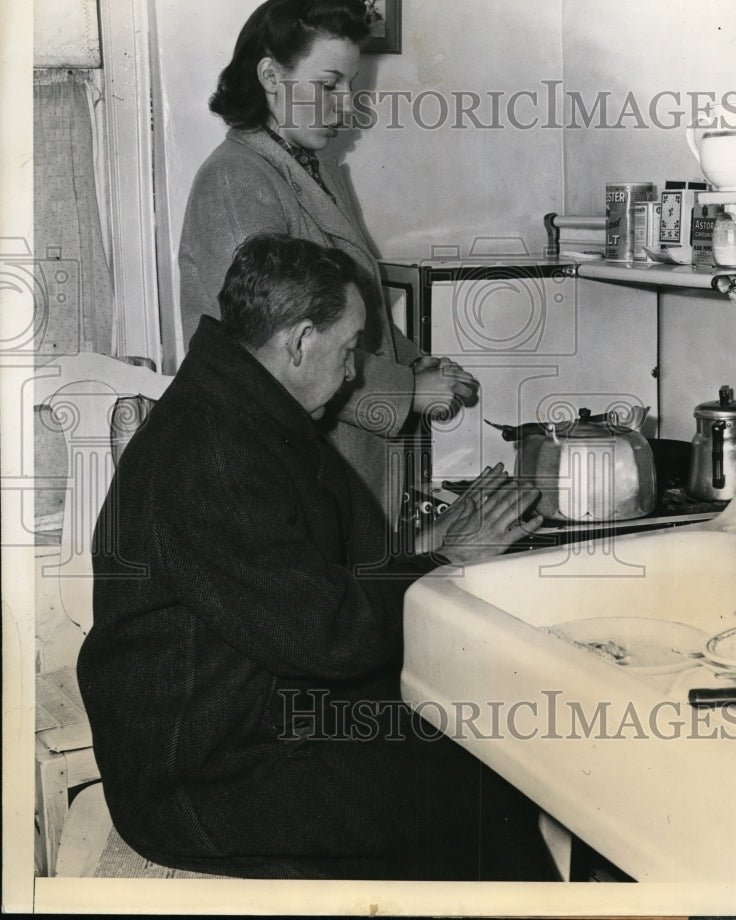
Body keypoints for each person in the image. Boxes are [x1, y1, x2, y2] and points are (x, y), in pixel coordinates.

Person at [78, 234, 549, 881]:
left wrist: (438, 547)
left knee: (485, 748)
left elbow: (316, 580)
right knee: (474, 789)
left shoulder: (245, 408)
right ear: (299, 341)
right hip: (203, 776)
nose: (355, 370)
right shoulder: (215, 454)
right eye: (350, 348)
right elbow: (330, 634)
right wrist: (443, 562)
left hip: (252, 714)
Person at [178, 0, 478, 530]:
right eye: (327, 85)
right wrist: (407, 391)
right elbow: (275, 347)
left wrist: (412, 359)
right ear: (271, 76)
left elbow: (347, 308)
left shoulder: (316, 169)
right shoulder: (235, 179)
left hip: (342, 450)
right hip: (292, 464)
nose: (345, 105)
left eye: (350, 86)